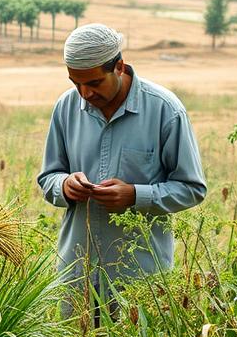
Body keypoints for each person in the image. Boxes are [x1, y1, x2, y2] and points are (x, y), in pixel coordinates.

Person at [37, 23, 207, 321]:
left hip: (141, 279)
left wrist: (135, 196)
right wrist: (64, 186)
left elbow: (192, 188)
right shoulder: (65, 107)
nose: (84, 93)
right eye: (76, 83)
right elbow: (48, 177)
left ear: (119, 66)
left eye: (93, 83)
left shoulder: (166, 110)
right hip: (77, 275)